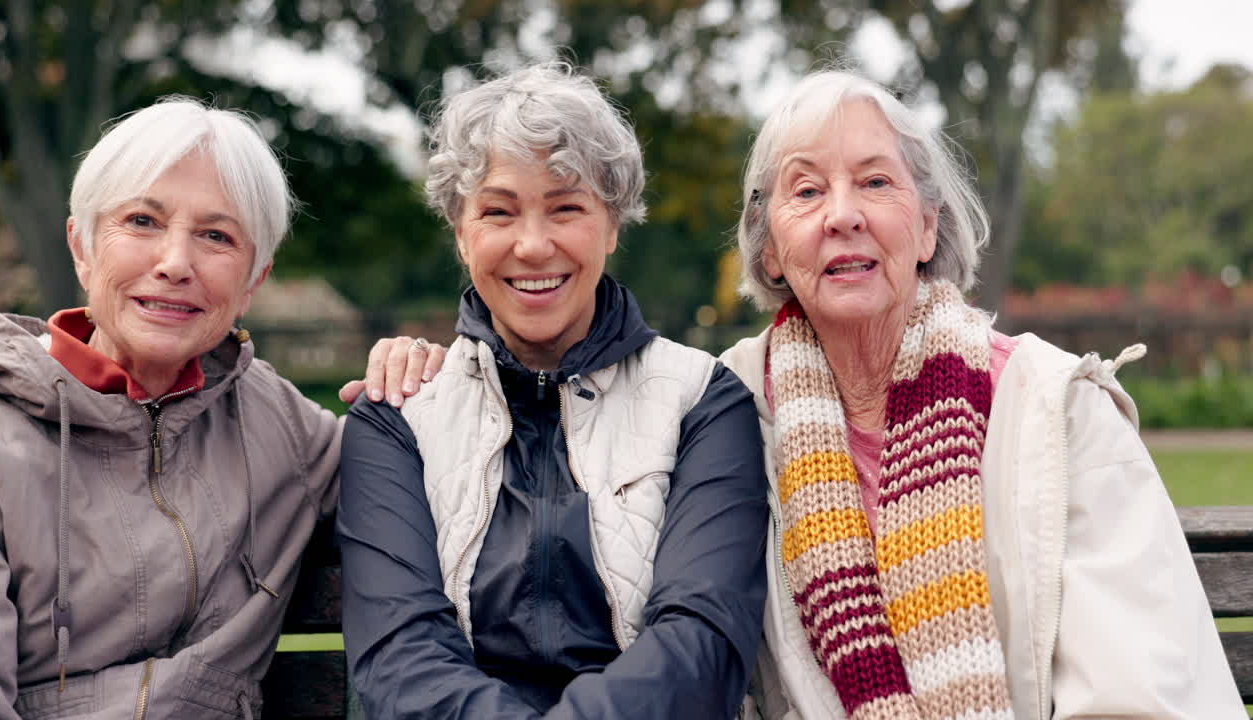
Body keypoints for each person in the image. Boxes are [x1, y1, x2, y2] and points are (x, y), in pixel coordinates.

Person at [715, 69, 1245, 719]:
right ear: (770, 247)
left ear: (929, 228)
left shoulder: (1059, 409)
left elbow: (1137, 693)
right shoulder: (722, 412)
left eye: (876, 182)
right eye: (807, 190)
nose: (844, 214)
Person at [0, 97, 437, 720]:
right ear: (81, 248)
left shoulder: (284, 430)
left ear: (253, 282)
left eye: (216, 236)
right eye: (141, 222)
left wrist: (431, 377)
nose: (174, 263)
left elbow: (428, 468)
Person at [336, 62, 769, 719]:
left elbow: (699, 641)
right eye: (499, 212)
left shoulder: (704, 402)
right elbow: (401, 658)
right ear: (461, 233)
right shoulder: (395, 418)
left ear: (613, 225)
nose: (533, 245)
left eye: (566, 208)